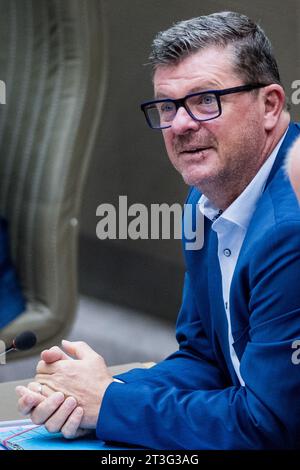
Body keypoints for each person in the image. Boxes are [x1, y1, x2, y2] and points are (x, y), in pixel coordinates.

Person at [16, 11, 300, 449]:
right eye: (168, 106)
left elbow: (273, 426)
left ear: (270, 104)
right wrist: (92, 394)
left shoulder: (291, 230)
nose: (182, 125)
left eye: (207, 100)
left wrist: (110, 404)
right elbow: (207, 357)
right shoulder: (206, 198)